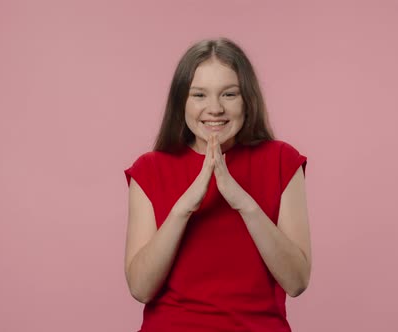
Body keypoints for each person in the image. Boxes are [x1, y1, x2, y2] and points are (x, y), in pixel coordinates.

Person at [123, 37, 312, 332]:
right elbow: (140, 288)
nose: (214, 108)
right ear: (180, 101)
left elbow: (297, 281)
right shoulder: (150, 169)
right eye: (199, 95)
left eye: (229, 94)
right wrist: (184, 207)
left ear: (247, 100)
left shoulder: (281, 161)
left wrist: (243, 202)